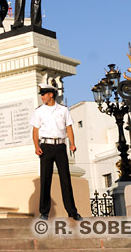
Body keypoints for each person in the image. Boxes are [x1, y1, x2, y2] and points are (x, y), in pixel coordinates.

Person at [30, 84, 81, 221]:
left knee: (65, 179)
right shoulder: (39, 111)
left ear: (51, 95)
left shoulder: (63, 110)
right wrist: (36, 146)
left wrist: (72, 143)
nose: (42, 97)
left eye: (44, 94)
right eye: (41, 94)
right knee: (46, 180)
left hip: (60, 147)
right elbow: (35, 130)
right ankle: (44, 212)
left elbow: (68, 127)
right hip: (46, 146)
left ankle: (72, 211)